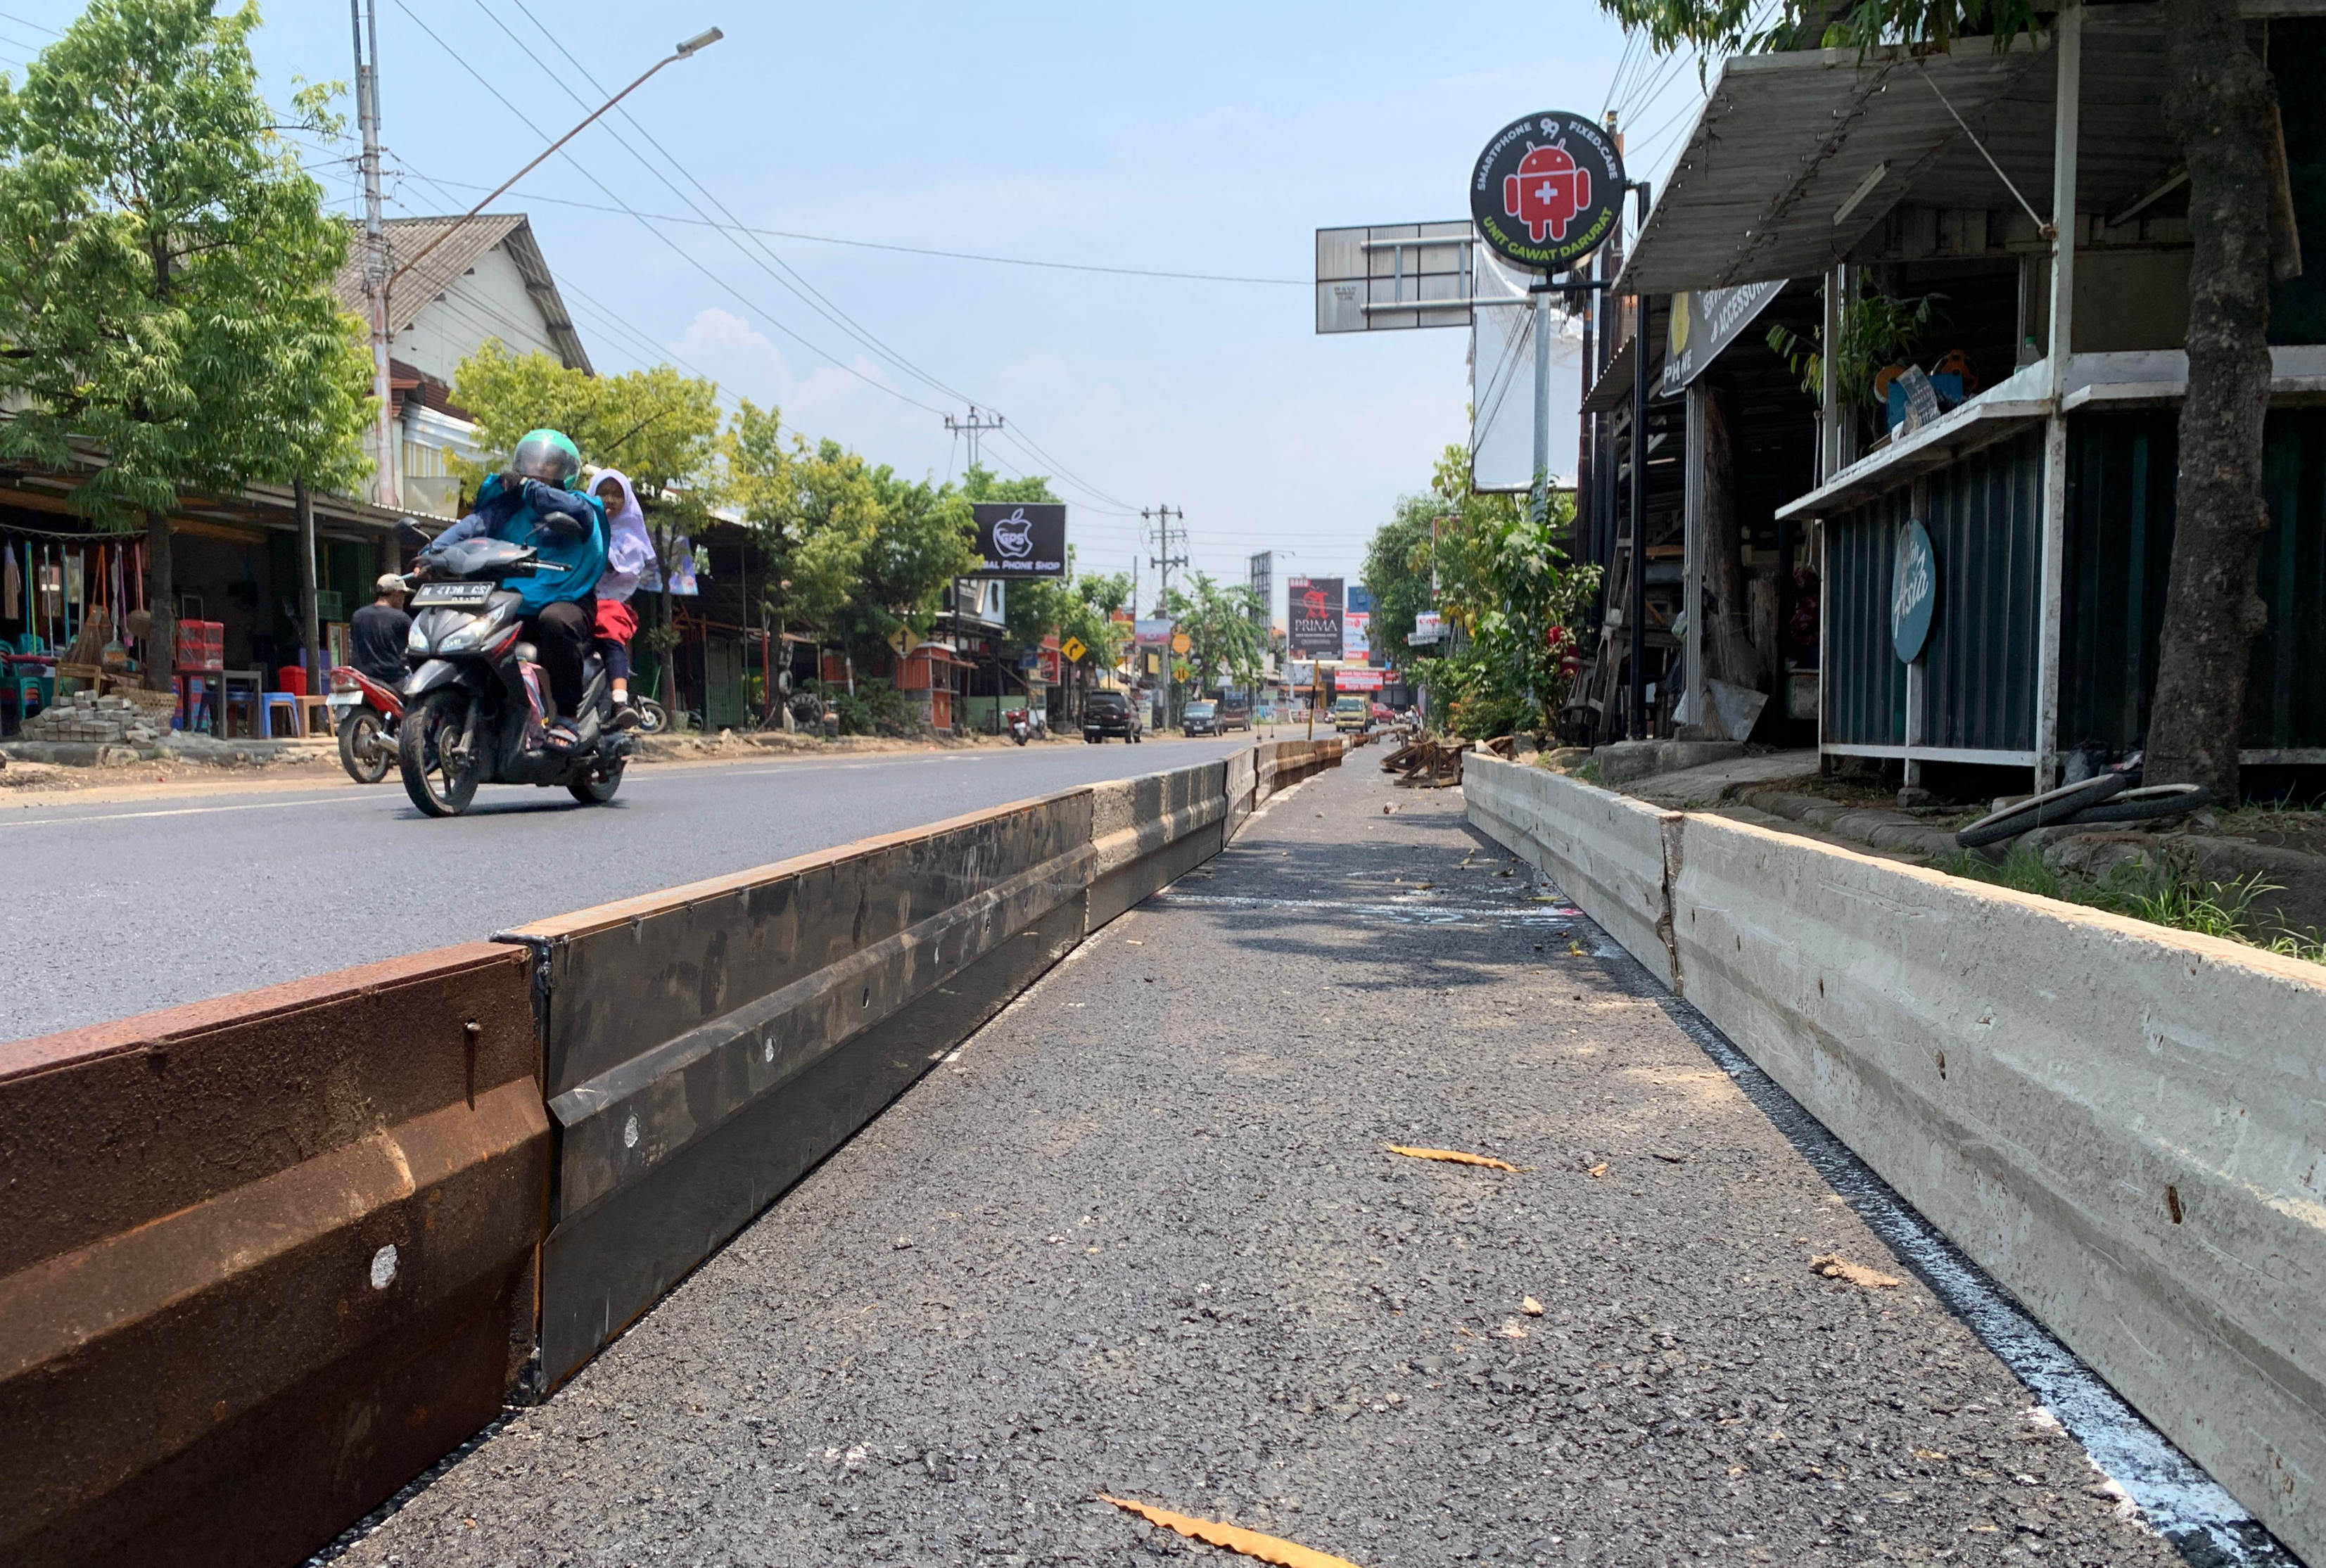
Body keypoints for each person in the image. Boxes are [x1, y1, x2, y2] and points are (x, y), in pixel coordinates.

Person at [424, 428, 607, 734]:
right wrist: (430, 554)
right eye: (533, 461)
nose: (539, 468)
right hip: (514, 597)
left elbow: (574, 512)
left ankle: (567, 717)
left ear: (566, 471)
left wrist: (527, 487)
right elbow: (471, 527)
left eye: (549, 463)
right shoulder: (507, 505)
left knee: (554, 622)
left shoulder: (579, 505)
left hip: (568, 597)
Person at [586, 467, 653, 729]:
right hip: (578, 597)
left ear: (627, 500)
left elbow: (617, 565)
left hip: (611, 603)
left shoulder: (631, 537)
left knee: (611, 634)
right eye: (603, 493)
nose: (609, 499)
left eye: (617, 494)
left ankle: (620, 702)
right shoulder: (583, 524)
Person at [349, 573, 411, 686]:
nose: (403, 600)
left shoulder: (357, 615)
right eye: (403, 595)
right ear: (396, 594)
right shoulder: (401, 618)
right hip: (392, 679)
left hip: (360, 678)